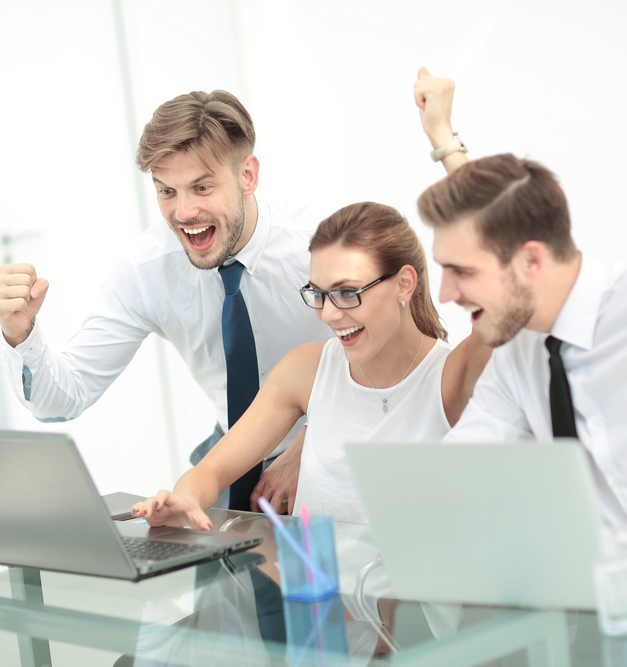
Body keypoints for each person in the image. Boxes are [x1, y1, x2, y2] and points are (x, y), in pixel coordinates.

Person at [418, 67, 627, 559]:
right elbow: (456, 478)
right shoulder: (517, 356)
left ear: (532, 260)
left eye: (460, 272)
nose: (443, 294)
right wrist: (443, 139)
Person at [0, 91, 334, 512]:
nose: (184, 212)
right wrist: (20, 334)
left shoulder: (319, 240)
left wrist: (313, 440)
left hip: (338, 442)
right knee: (203, 565)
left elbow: (398, 354)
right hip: (229, 464)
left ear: (247, 175)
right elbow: (62, 398)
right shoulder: (148, 269)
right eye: (166, 191)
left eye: (201, 187)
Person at [132, 200, 492, 530]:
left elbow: (505, 272)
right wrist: (186, 499)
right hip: (324, 600)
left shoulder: (452, 375)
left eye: (348, 293)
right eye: (318, 294)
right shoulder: (306, 369)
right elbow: (211, 469)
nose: (329, 314)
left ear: (404, 283)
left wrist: (445, 145)